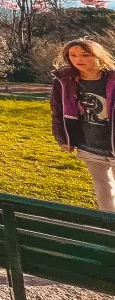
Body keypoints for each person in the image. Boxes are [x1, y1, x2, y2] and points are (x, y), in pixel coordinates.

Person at [51, 38, 115, 211]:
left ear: (98, 55)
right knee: (104, 190)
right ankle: (109, 228)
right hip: (90, 145)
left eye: (85, 55)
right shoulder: (65, 81)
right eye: (73, 55)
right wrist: (62, 137)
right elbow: (58, 110)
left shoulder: (112, 79)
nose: (78, 59)